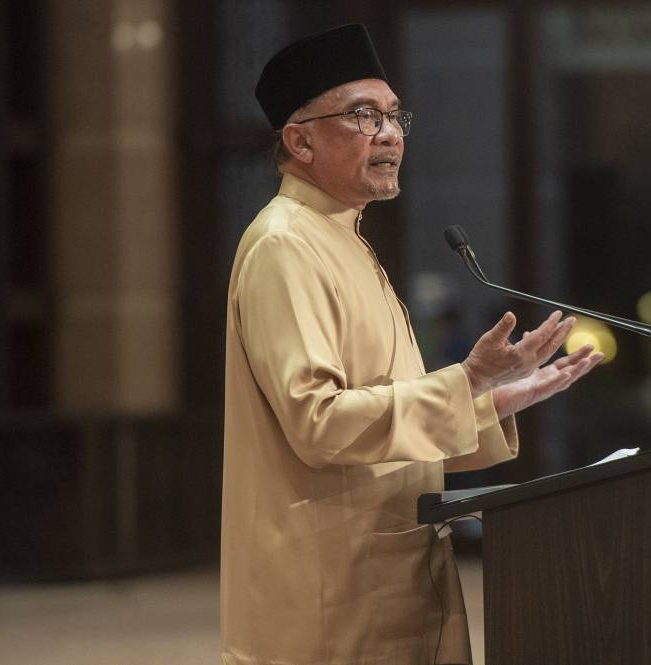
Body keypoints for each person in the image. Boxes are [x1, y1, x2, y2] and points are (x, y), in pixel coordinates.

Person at [221, 24, 604, 665]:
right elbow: (317, 423)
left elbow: (382, 420)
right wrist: (465, 384)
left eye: (396, 115)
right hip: (330, 596)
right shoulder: (286, 245)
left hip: (388, 569)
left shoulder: (342, 237)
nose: (391, 134)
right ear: (300, 140)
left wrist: (489, 400)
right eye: (363, 115)